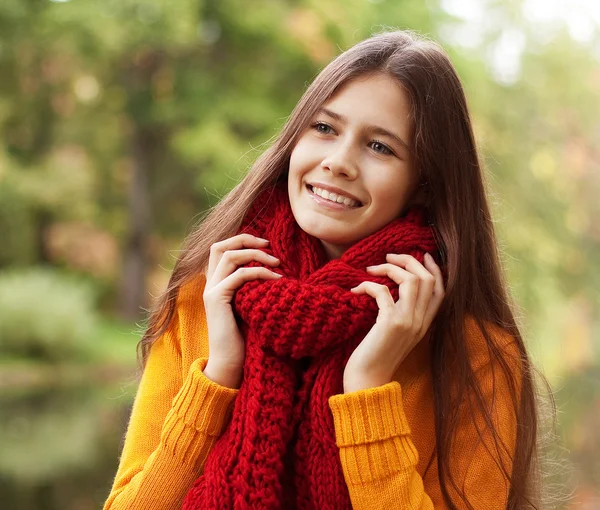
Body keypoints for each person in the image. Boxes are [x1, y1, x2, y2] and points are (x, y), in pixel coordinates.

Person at [103, 29, 548, 509]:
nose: (339, 162)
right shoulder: (207, 297)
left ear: (424, 185)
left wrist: (368, 388)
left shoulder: (476, 355)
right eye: (324, 128)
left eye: (381, 147)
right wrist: (218, 376)